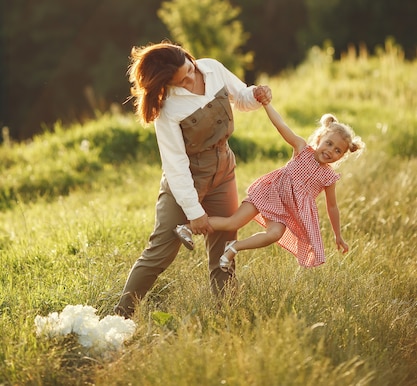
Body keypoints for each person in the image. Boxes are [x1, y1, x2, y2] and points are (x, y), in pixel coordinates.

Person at [114, 41, 271, 317]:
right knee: (159, 253)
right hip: (186, 183)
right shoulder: (167, 108)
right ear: (166, 83)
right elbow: (175, 165)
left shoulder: (211, 68)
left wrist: (256, 93)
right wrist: (194, 212)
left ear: (188, 57)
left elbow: (242, 98)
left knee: (224, 247)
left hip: (223, 172)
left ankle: (228, 313)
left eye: (189, 70)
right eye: (181, 81)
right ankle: (119, 316)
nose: (190, 79)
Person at [175, 103, 364, 270]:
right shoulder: (302, 149)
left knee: (274, 234)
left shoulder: (329, 177)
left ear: (342, 156)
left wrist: (337, 235)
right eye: (329, 144)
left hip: (286, 210)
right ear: (319, 138)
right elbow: (281, 125)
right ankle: (186, 227)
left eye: (337, 150)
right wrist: (266, 104)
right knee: (234, 222)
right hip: (268, 192)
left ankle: (234, 247)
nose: (330, 151)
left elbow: (332, 207)